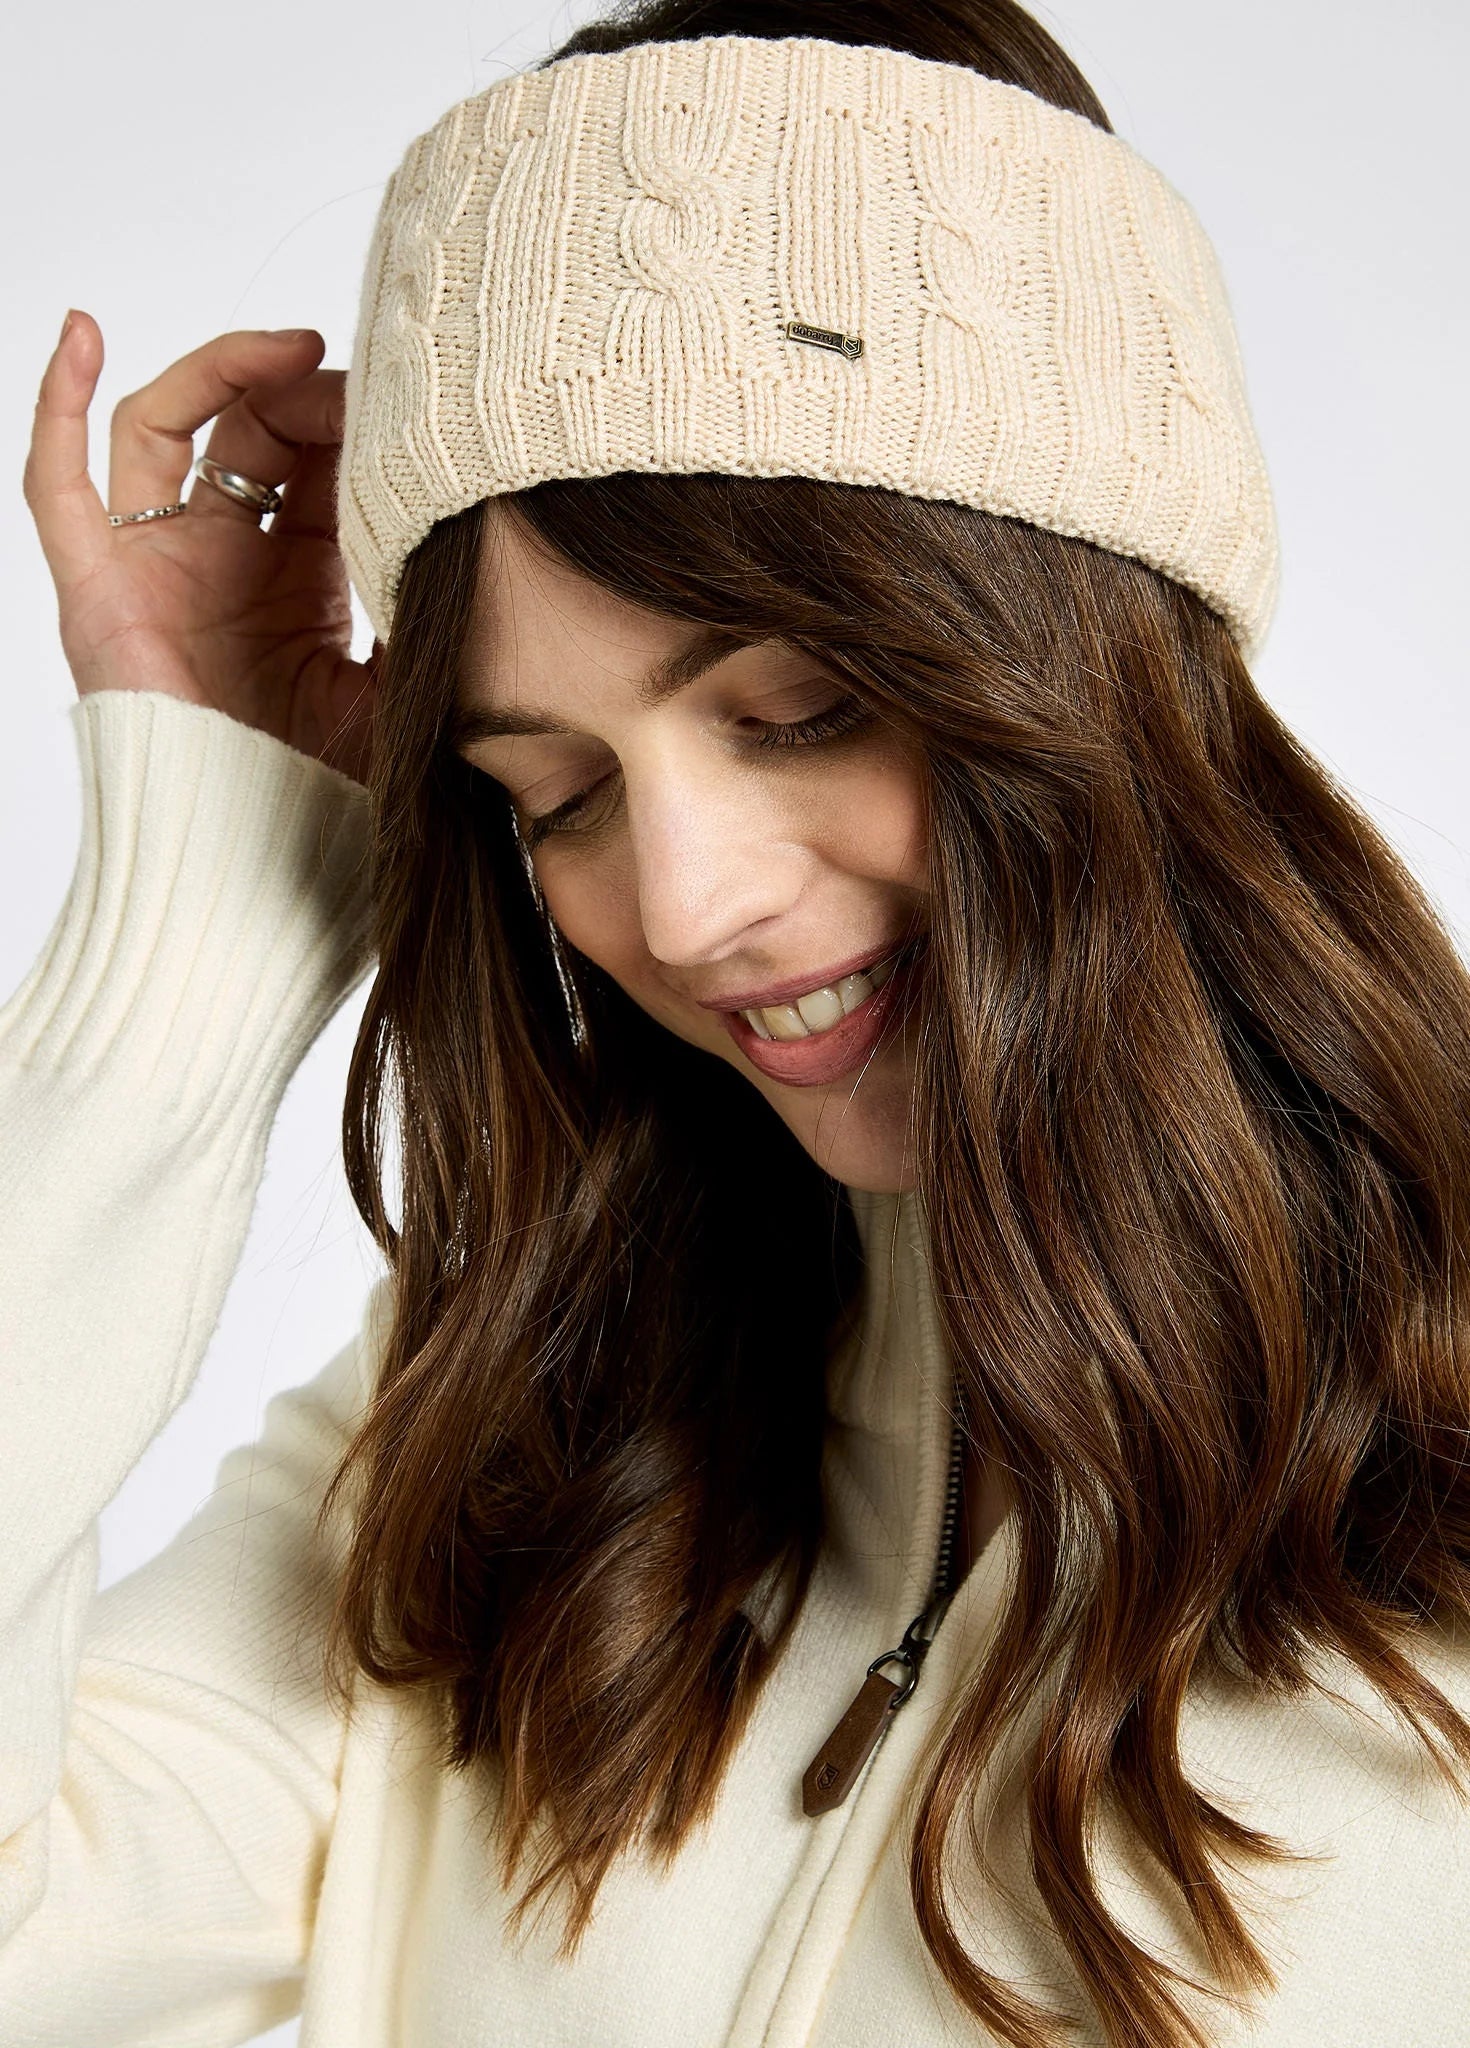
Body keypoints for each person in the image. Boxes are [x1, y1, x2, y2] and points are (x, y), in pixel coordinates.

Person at [4, 1, 1470, 2044]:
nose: (684, 908)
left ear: (1099, 663)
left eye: (799, 714)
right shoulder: (514, 1425)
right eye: (554, 797)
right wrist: (200, 905)